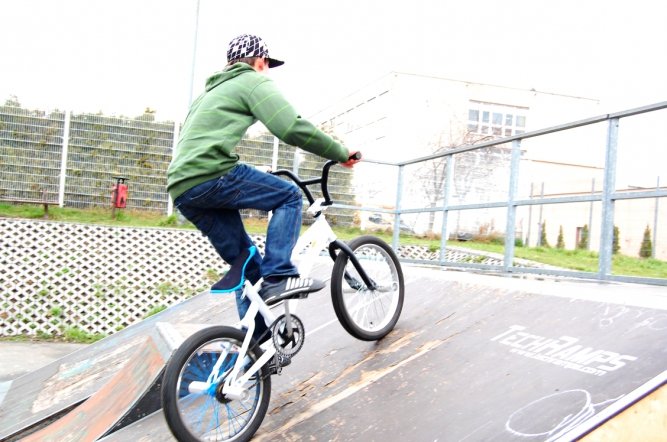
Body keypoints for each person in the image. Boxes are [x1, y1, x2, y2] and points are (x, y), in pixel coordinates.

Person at [167, 34, 359, 346]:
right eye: (267, 66)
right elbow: (290, 127)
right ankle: (279, 275)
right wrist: (340, 152)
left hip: (184, 189)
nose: (267, 72)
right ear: (260, 62)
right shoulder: (252, 82)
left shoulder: (209, 93)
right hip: (212, 173)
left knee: (247, 264)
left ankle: (253, 348)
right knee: (289, 195)